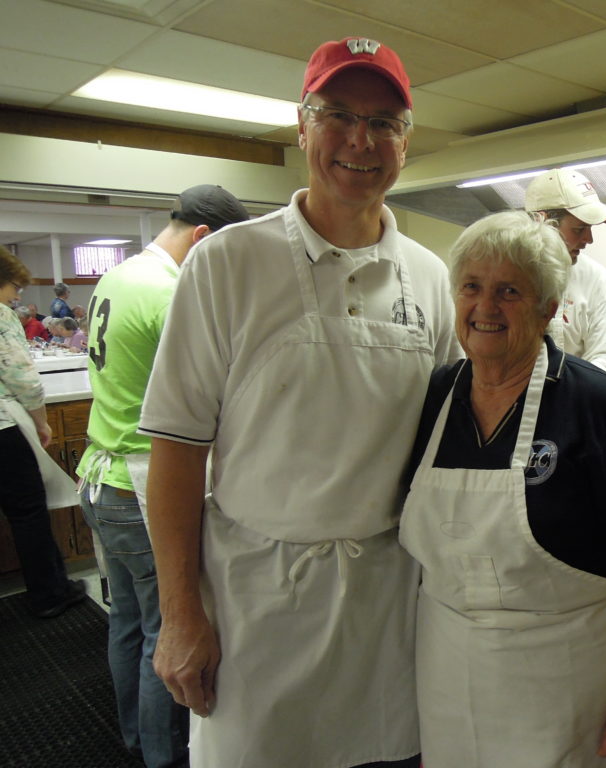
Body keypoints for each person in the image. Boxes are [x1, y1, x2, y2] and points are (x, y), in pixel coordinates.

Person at [138, 37, 460, 768]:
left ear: (405, 140)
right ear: (301, 125)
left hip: (387, 608)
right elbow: (178, 453)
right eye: (337, 113)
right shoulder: (227, 264)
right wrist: (180, 616)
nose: (360, 139)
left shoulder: (431, 279)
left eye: (384, 122)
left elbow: (445, 457)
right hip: (257, 607)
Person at [401, 210, 606, 768]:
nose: (485, 307)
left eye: (510, 292)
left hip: (567, 674)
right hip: (448, 665)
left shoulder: (598, 406)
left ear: (549, 308)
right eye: (472, 288)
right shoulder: (432, 396)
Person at [77, 185, 249, 768]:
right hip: (138, 479)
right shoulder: (171, 293)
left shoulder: (118, 277)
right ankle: (161, 755)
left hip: (98, 476)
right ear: (203, 239)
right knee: (164, 630)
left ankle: (132, 735)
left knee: (125, 620)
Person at [0, 246, 84, 618]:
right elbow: (22, 377)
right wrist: (41, 421)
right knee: (28, 512)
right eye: (14, 286)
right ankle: (50, 593)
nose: (17, 296)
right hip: (4, 427)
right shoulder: (2, 317)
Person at [524, 167, 606, 379]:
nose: (589, 240)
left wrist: (568, 388)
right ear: (541, 221)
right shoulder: (504, 275)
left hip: (576, 405)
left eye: (589, 228)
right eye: (579, 229)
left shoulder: (596, 279)